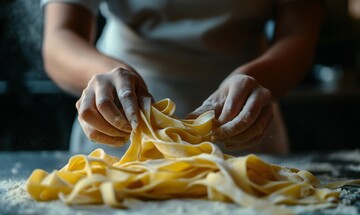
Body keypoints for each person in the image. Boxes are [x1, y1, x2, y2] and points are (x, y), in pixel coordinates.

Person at [40, 0, 323, 156]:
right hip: (120, 113)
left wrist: (254, 77)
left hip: (243, 115)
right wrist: (101, 73)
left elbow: (299, 36)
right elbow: (60, 38)